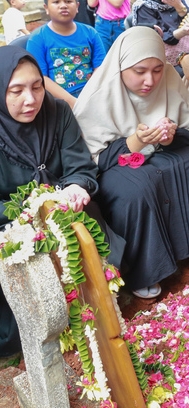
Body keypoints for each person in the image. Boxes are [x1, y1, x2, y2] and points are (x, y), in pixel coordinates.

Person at [73, 27, 189, 299]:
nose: (150, 80)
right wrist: (135, 141)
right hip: (115, 163)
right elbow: (92, 160)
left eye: (158, 69)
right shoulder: (99, 96)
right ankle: (146, 269)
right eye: (140, 71)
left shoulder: (170, 80)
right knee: (137, 188)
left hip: (163, 149)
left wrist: (171, 136)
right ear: (122, 67)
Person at [0, 46, 100, 356]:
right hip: (8, 221)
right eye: (16, 91)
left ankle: (91, 309)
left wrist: (76, 186)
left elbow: (80, 168)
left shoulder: (57, 112)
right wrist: (26, 213)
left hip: (60, 208)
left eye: (36, 87)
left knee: (88, 220)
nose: (30, 99)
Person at [26, 0, 107, 105]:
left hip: (92, 92)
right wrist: (73, 102)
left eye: (68, 1)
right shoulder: (37, 38)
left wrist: (91, 95)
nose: (63, 5)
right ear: (46, 8)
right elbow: (41, 78)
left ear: (77, 6)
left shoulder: (90, 33)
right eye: (56, 1)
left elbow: (100, 68)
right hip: (58, 100)